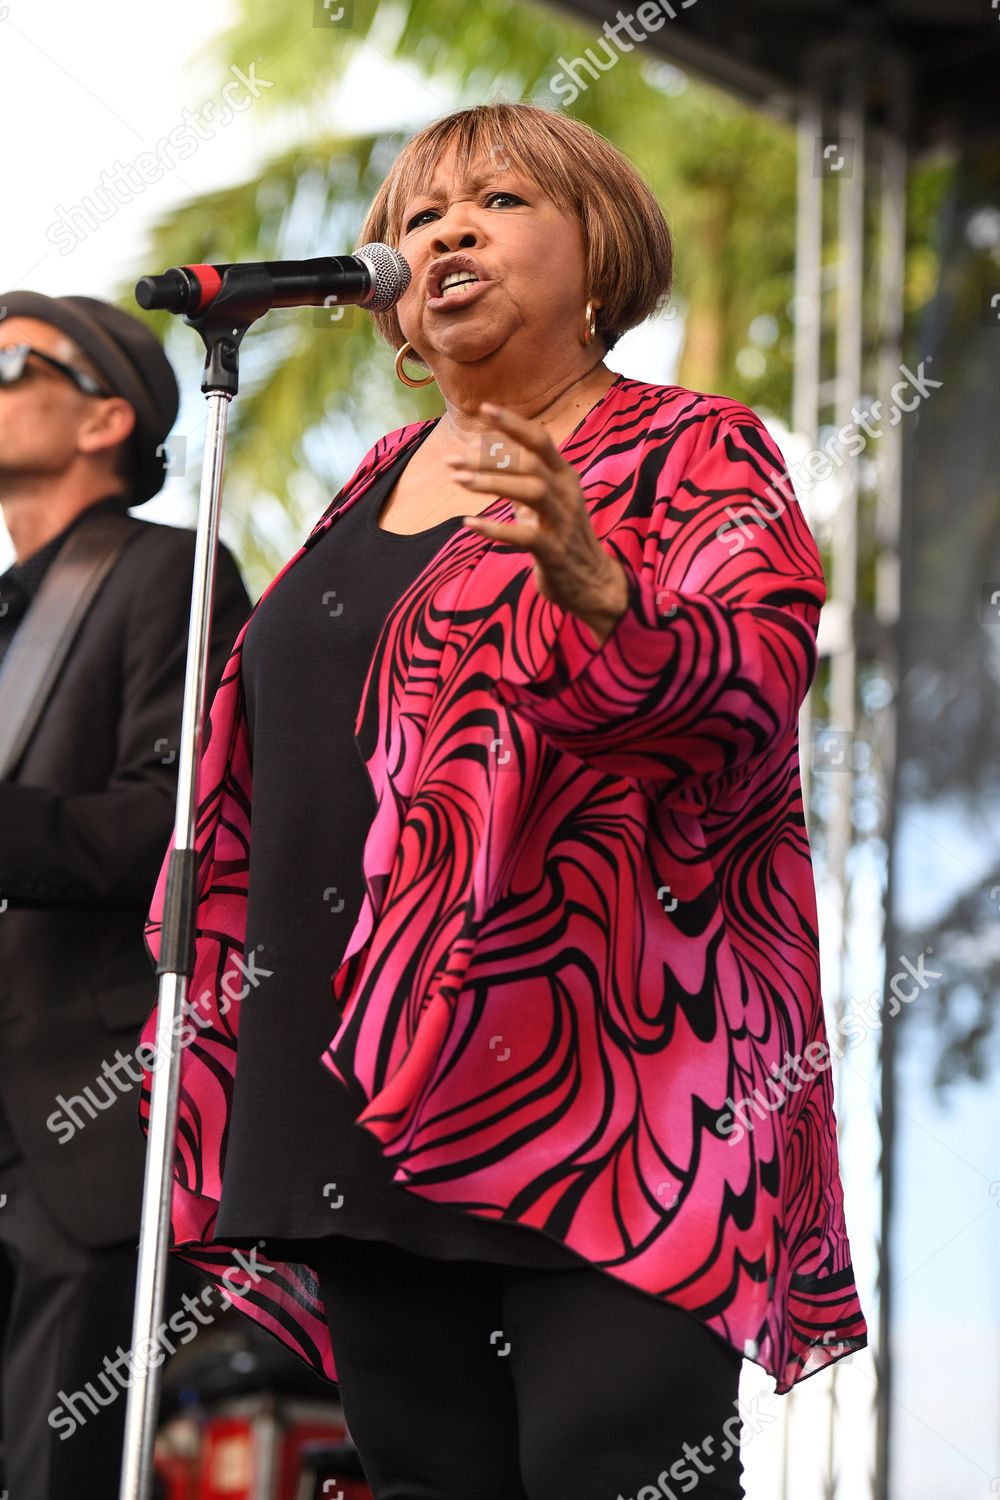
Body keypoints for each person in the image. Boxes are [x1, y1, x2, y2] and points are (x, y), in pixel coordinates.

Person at [137, 101, 868, 1500]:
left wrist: (607, 597)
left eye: (502, 202)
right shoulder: (370, 481)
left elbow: (753, 684)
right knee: (428, 1477)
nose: (449, 233)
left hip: (608, 1076)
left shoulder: (692, 447)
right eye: (420, 218)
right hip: (358, 1074)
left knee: (617, 1468)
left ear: (602, 256)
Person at [0, 292, 252, 1500]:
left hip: (80, 1118)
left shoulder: (172, 573)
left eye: (13, 361)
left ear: (106, 419)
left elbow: (174, 822)